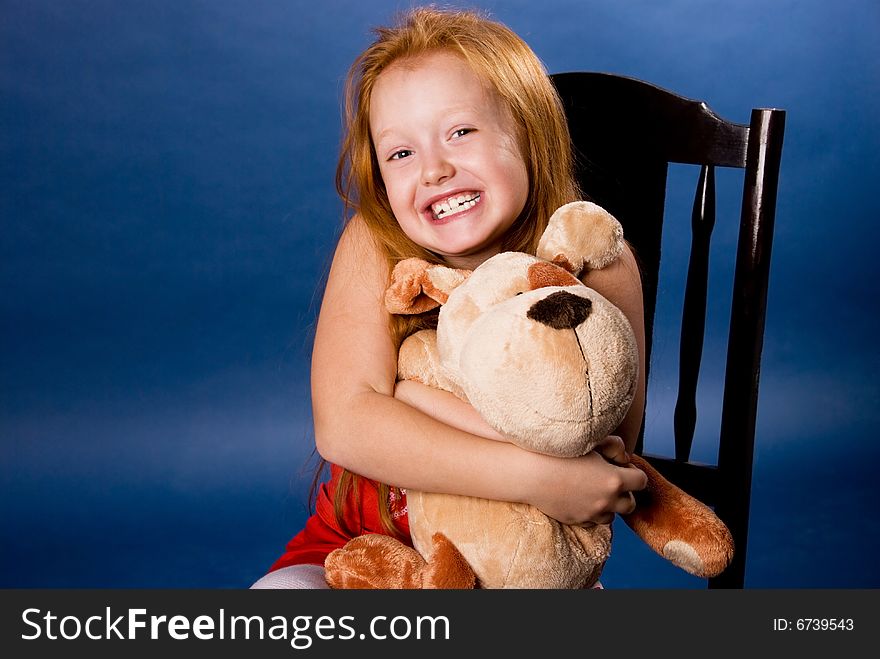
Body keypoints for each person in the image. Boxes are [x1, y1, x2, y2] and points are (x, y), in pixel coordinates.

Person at [251, 6, 648, 590]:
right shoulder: (375, 240)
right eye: (401, 153)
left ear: (527, 133)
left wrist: (412, 399)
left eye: (460, 132)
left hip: (520, 561)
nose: (434, 170)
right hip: (361, 551)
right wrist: (533, 475)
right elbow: (343, 426)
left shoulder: (597, 261)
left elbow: (597, 447)